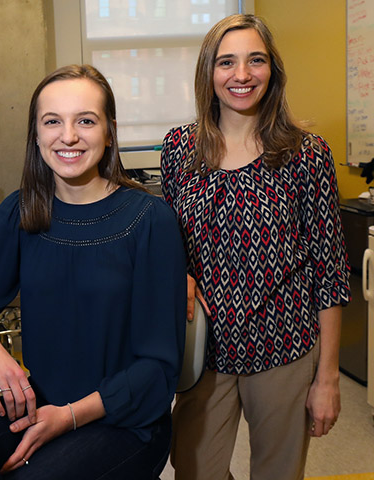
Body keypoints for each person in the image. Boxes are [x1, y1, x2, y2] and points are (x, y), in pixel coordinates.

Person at [0, 64, 187, 479]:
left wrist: (68, 417)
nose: (68, 136)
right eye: (52, 122)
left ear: (110, 131)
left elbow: (157, 373)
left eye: (85, 120)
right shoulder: (23, 210)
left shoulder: (150, 221)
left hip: (123, 422)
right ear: (36, 134)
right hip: (41, 404)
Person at [159, 14, 351, 480]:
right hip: (206, 352)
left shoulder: (306, 152)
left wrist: (327, 378)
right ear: (209, 72)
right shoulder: (181, 150)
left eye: (255, 60)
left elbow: (329, 271)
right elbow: (167, 245)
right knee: (193, 467)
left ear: (273, 70)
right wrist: (178, 272)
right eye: (227, 62)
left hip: (285, 349)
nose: (241, 75)